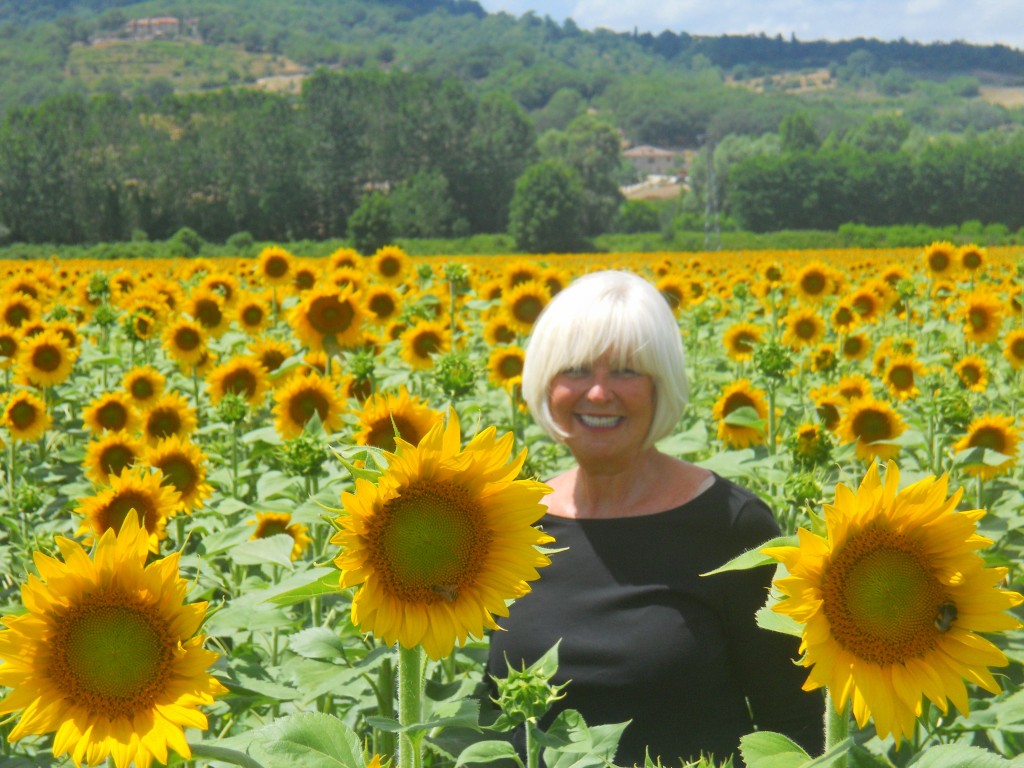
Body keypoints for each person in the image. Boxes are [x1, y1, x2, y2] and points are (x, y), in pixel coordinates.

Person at [485, 270, 824, 767]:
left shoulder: (730, 527)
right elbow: (491, 710)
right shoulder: (512, 521)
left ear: (660, 385)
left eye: (625, 371)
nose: (598, 394)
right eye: (575, 369)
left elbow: (797, 725)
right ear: (545, 383)